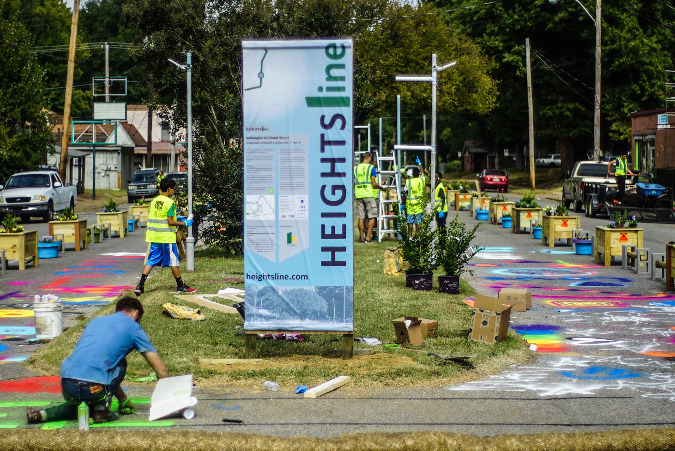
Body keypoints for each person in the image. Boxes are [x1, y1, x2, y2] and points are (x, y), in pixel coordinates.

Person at [26, 297, 169, 424]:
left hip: (68, 386)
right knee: (120, 363)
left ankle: (41, 414)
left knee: (83, 406)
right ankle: (100, 410)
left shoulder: (95, 321)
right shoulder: (134, 327)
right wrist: (169, 402)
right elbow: (160, 370)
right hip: (94, 389)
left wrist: (123, 399)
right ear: (136, 314)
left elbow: (96, 361)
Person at [134, 177, 196, 295]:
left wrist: (177, 218)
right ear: (168, 189)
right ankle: (180, 285)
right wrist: (185, 223)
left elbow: (160, 217)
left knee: (151, 260)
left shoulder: (154, 201)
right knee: (174, 261)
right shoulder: (170, 203)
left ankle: (140, 285)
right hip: (166, 237)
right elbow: (170, 222)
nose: (173, 191)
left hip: (155, 237)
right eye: (173, 189)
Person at [353, 152, 384, 243]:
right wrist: (382, 188)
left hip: (359, 194)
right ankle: (368, 237)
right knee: (372, 216)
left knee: (361, 217)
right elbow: (373, 184)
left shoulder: (356, 168)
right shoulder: (371, 168)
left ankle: (361, 237)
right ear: (370, 158)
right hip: (369, 194)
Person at [403, 158, 426, 236]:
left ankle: (410, 237)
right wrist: (420, 164)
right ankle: (417, 237)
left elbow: (405, 193)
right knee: (418, 222)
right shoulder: (421, 180)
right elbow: (422, 173)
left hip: (410, 205)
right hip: (419, 204)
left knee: (410, 222)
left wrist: (402, 204)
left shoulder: (408, 181)